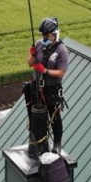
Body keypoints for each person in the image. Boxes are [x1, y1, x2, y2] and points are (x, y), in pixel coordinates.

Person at [27, 17, 69, 153]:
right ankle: (38, 140)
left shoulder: (61, 50)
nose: (44, 37)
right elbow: (29, 63)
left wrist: (45, 71)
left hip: (51, 89)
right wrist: (32, 55)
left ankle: (57, 143)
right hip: (37, 88)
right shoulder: (38, 45)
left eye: (47, 35)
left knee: (54, 116)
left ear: (55, 33)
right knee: (37, 115)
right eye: (43, 35)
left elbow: (61, 73)